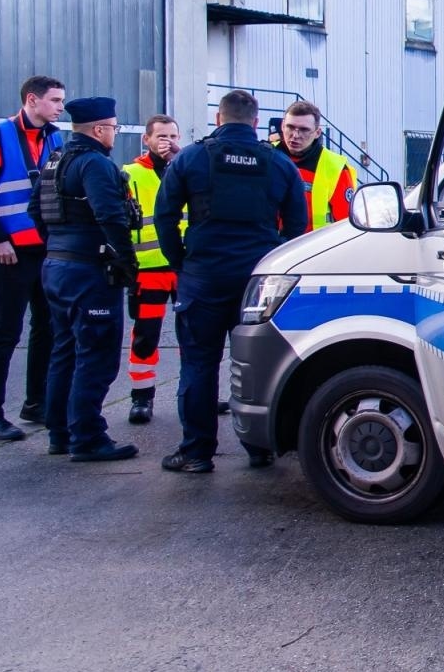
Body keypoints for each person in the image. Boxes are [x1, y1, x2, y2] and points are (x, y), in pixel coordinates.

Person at [155, 90, 307, 473]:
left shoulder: (191, 158)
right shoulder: (278, 163)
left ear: (218, 119)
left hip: (203, 277)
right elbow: (296, 226)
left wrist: (181, 261)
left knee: (198, 364)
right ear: (256, 122)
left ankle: (196, 453)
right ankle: (259, 448)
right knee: (257, 362)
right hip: (258, 281)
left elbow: (165, 216)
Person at [29, 96, 140, 462]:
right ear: (99, 129)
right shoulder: (94, 163)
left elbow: (35, 210)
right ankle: (88, 437)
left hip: (56, 266)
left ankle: (60, 432)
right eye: (114, 128)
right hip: (88, 270)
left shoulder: (56, 159)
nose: (114, 134)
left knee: (64, 351)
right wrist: (126, 262)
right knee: (96, 354)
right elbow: (110, 216)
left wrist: (59, 244)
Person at [0, 75, 67, 442]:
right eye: (55, 100)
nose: (60, 107)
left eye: (61, 100)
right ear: (32, 100)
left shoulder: (54, 138)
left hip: (46, 248)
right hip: (11, 253)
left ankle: (36, 403)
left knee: (47, 328)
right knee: (5, 332)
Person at [123, 115, 183, 424]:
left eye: (173, 136)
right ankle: (141, 397)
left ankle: (198, 394)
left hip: (184, 266)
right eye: (161, 136)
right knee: (145, 335)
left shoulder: (186, 169)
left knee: (194, 334)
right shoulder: (129, 175)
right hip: (148, 270)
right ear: (146, 140)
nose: (167, 141)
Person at [277, 100, 359, 230]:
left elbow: (347, 224)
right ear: (282, 126)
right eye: (290, 127)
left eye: (304, 130)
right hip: (271, 241)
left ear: (317, 133)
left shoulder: (335, 167)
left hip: (314, 242)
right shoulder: (266, 156)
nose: (295, 135)